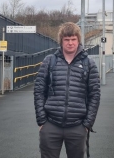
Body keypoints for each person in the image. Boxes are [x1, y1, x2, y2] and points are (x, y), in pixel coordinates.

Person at [34, 22, 101, 158]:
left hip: (77, 126)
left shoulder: (89, 64)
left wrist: (87, 124)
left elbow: (95, 95)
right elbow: (39, 90)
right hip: (51, 125)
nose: (70, 43)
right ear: (61, 41)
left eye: (73, 39)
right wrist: (42, 121)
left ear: (78, 40)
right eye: (67, 40)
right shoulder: (49, 61)